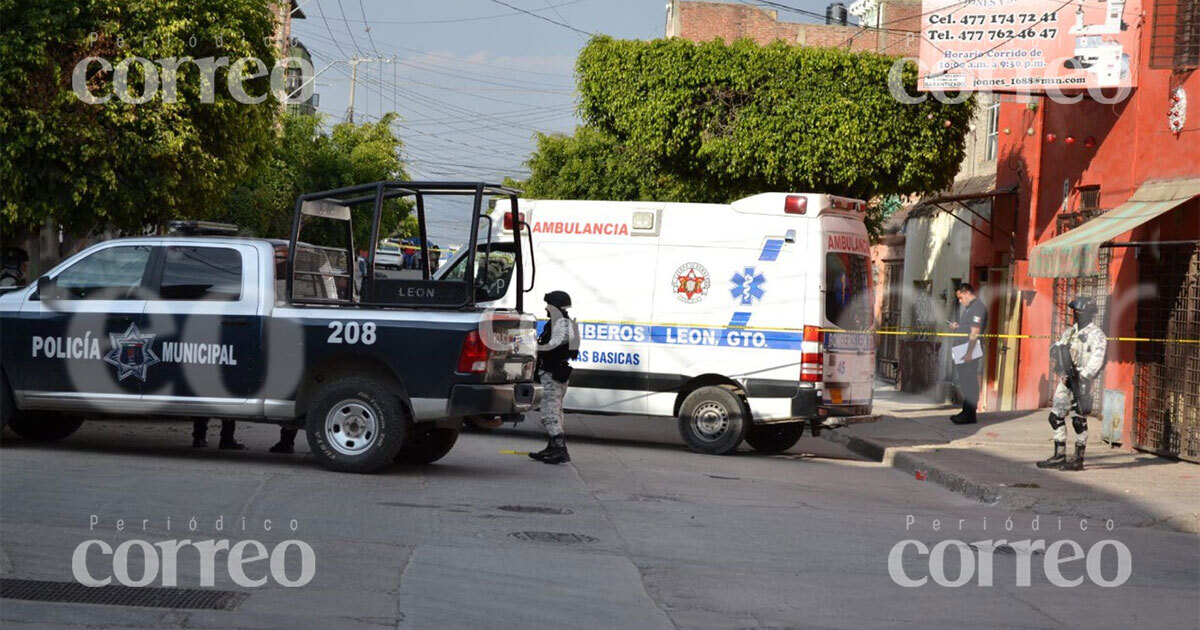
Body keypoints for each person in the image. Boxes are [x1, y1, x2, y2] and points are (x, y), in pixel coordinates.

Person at [1038, 297, 1107, 471]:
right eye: (1074, 312)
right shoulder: (1070, 332)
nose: (1075, 315)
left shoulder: (1097, 335)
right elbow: (1056, 347)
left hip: (1082, 381)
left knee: (1079, 420)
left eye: (1079, 312)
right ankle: (1059, 455)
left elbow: (1097, 360)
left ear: (1089, 314)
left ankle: (1078, 458)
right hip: (1066, 379)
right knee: (1055, 417)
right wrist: (1057, 354)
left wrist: (1082, 377)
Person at [528, 291, 579, 465]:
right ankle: (552, 447)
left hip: (553, 374)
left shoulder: (563, 324)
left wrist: (536, 347)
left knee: (549, 414)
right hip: (552, 373)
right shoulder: (558, 323)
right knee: (556, 412)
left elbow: (558, 342)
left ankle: (560, 451)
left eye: (549, 305)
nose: (546, 308)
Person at [948, 283, 987, 425]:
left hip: (969, 350)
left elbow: (975, 332)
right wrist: (958, 328)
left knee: (969, 383)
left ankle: (970, 415)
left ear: (967, 293)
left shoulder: (978, 307)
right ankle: (966, 411)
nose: (960, 301)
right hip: (963, 349)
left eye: (960, 298)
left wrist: (969, 353)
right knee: (965, 382)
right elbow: (968, 329)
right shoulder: (970, 308)